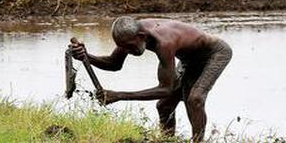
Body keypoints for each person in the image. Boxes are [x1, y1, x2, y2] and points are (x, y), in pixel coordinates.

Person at [69, 16, 232, 142]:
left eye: (131, 47)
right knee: (165, 105)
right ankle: (167, 140)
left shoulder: (164, 43)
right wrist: (85, 56)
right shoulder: (129, 37)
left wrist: (119, 95)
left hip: (214, 54)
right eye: (123, 48)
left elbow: (165, 89)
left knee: (195, 99)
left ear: (141, 36)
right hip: (189, 60)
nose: (128, 51)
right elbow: (114, 64)